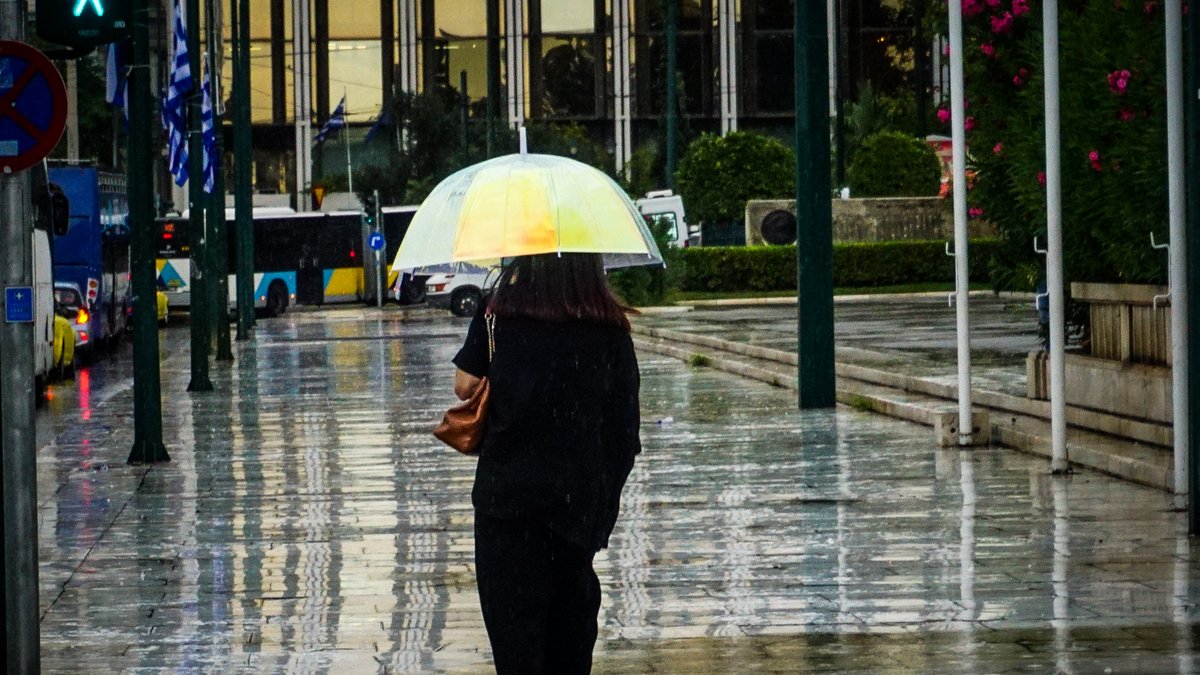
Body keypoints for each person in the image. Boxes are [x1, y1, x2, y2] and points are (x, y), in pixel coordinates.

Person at [451, 253, 642, 674]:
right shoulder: (608, 326)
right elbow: (624, 435)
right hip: (576, 511)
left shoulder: (499, 313)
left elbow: (464, 384)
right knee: (569, 646)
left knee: (516, 646)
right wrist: (599, 509)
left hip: (507, 507)